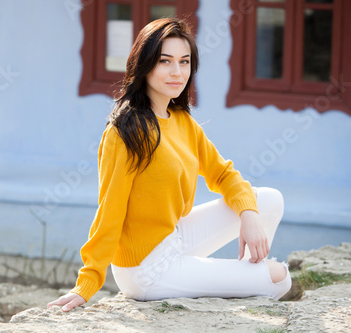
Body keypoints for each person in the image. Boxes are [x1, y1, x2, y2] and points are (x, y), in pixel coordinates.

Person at [48, 17, 291, 312]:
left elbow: (223, 173)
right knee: (280, 278)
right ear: (145, 64)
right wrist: (87, 284)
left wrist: (249, 215)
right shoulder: (126, 131)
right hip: (147, 269)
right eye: (165, 61)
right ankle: (246, 278)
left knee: (268, 201)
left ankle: (243, 273)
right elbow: (109, 212)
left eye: (185, 62)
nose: (177, 72)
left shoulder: (182, 122)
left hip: (174, 239)